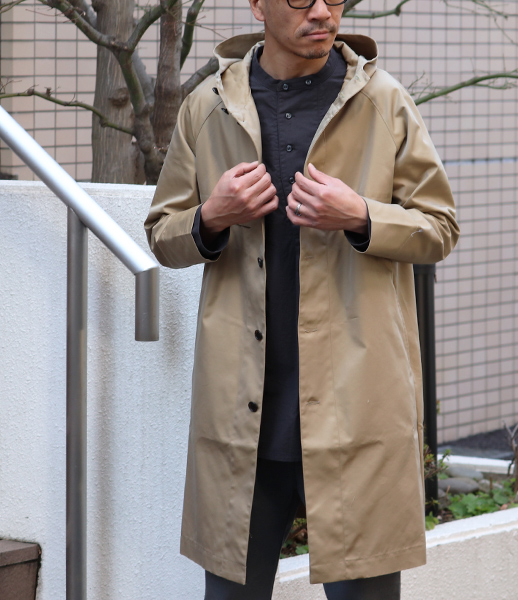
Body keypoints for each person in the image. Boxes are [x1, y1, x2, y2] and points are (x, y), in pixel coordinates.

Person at [145, 0, 459, 598]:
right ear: (257, 5)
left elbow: (439, 227)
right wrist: (212, 216)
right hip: (243, 415)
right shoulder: (208, 106)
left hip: (357, 408)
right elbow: (163, 233)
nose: (321, 12)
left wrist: (361, 215)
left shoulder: (383, 101)